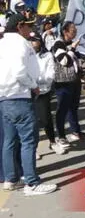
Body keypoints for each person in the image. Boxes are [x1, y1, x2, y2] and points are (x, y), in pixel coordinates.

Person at [0, 13, 57, 195]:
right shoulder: (20, 44)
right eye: (29, 26)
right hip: (19, 96)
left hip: (4, 98)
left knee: (9, 141)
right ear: (19, 26)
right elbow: (19, 72)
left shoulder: (2, 43)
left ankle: (11, 179)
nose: (31, 30)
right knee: (28, 141)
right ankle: (31, 183)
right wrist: (34, 86)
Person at [51, 22, 85, 147]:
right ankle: (61, 136)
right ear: (65, 32)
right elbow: (64, 61)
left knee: (73, 108)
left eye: (75, 30)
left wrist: (82, 76)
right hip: (63, 82)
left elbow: (77, 62)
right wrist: (72, 48)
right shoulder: (58, 44)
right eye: (73, 31)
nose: (75, 33)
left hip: (74, 81)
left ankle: (76, 131)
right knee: (62, 110)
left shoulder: (69, 44)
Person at [29, 34, 65, 156]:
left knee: (46, 119)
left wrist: (36, 80)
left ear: (40, 42)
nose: (33, 43)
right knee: (31, 121)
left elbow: (50, 75)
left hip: (43, 91)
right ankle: (34, 148)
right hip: (29, 91)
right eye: (31, 41)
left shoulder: (48, 55)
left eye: (35, 41)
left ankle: (52, 141)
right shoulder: (27, 55)